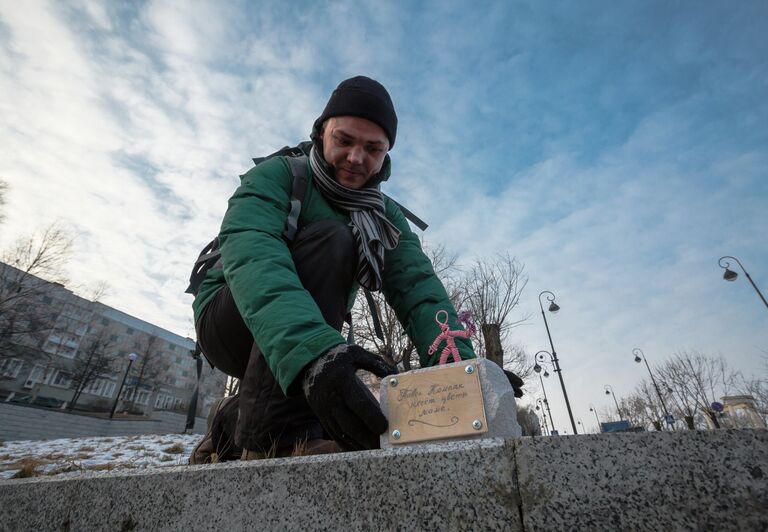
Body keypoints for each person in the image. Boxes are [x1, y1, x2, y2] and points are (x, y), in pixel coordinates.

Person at [189, 76, 522, 462]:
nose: (356, 157)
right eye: (344, 141)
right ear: (320, 134)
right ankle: (274, 440)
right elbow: (254, 260)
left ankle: (231, 422)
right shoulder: (277, 177)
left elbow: (418, 289)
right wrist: (316, 355)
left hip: (305, 335)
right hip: (231, 320)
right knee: (333, 237)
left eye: (372, 148)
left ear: (386, 156)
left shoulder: (385, 215)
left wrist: (464, 371)